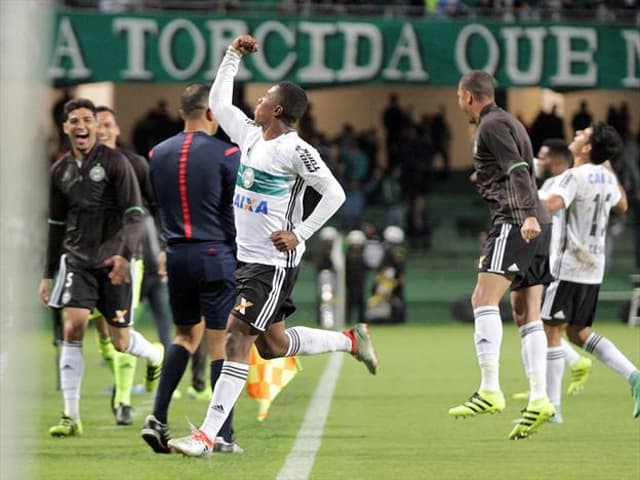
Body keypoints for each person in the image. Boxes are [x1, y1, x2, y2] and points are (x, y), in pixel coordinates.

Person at [168, 35, 378, 457]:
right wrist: (231, 57)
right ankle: (351, 341)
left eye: (264, 98)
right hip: (247, 260)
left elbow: (334, 194)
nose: (257, 102)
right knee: (273, 346)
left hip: (272, 264)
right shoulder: (250, 137)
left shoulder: (296, 150)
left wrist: (300, 232)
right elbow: (221, 103)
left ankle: (208, 435)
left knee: (236, 337)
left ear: (277, 110)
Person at [39, 98, 164, 437]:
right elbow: (54, 223)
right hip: (77, 260)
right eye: (74, 121)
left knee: (120, 341)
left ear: (95, 126)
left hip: (114, 262)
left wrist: (124, 255)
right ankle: (70, 416)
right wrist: (49, 273)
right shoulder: (60, 171)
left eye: (87, 121)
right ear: (65, 127)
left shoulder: (118, 164)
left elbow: (135, 215)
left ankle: (154, 355)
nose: (81, 126)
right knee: (73, 328)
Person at [448, 71, 555, 440]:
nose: (459, 104)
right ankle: (540, 397)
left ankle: (490, 389)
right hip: (539, 222)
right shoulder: (509, 121)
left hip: (517, 221)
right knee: (527, 313)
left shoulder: (491, 126)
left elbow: (520, 169)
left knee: (482, 298)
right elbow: (517, 167)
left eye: (460, 98)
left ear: (468, 96)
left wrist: (525, 214)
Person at [141, 83, 243, 454]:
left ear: (182, 112)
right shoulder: (228, 153)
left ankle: (157, 417)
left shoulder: (157, 153)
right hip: (215, 254)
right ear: (212, 112)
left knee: (185, 336)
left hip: (176, 253)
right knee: (221, 344)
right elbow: (233, 211)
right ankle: (223, 434)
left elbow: (159, 205)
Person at [540, 122, 640, 419]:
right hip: (593, 267)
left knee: (551, 332)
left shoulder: (573, 176)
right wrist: (608, 168)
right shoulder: (607, 178)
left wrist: (523, 199)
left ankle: (551, 408)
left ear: (586, 149)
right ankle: (634, 376)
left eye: (582, 134)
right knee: (578, 332)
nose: (576, 134)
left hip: (568, 264)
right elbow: (622, 206)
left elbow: (554, 205)